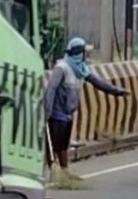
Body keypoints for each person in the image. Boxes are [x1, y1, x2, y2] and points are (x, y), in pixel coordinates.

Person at [45, 37, 129, 174]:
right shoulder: (62, 68)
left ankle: (65, 172)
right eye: (84, 52)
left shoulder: (82, 69)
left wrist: (117, 92)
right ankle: (54, 173)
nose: (86, 56)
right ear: (79, 53)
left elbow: (98, 82)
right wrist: (47, 111)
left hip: (68, 114)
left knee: (64, 145)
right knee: (53, 145)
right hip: (57, 113)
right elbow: (51, 89)